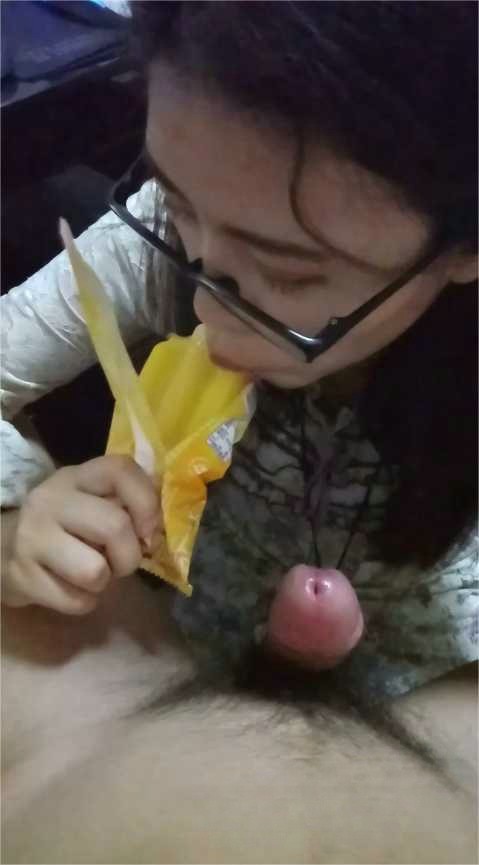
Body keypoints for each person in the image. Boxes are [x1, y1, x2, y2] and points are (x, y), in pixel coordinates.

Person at [1, 2, 478, 858]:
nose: (207, 310)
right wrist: (14, 518)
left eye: (288, 274)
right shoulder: (170, 241)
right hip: (173, 642)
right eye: (178, 201)